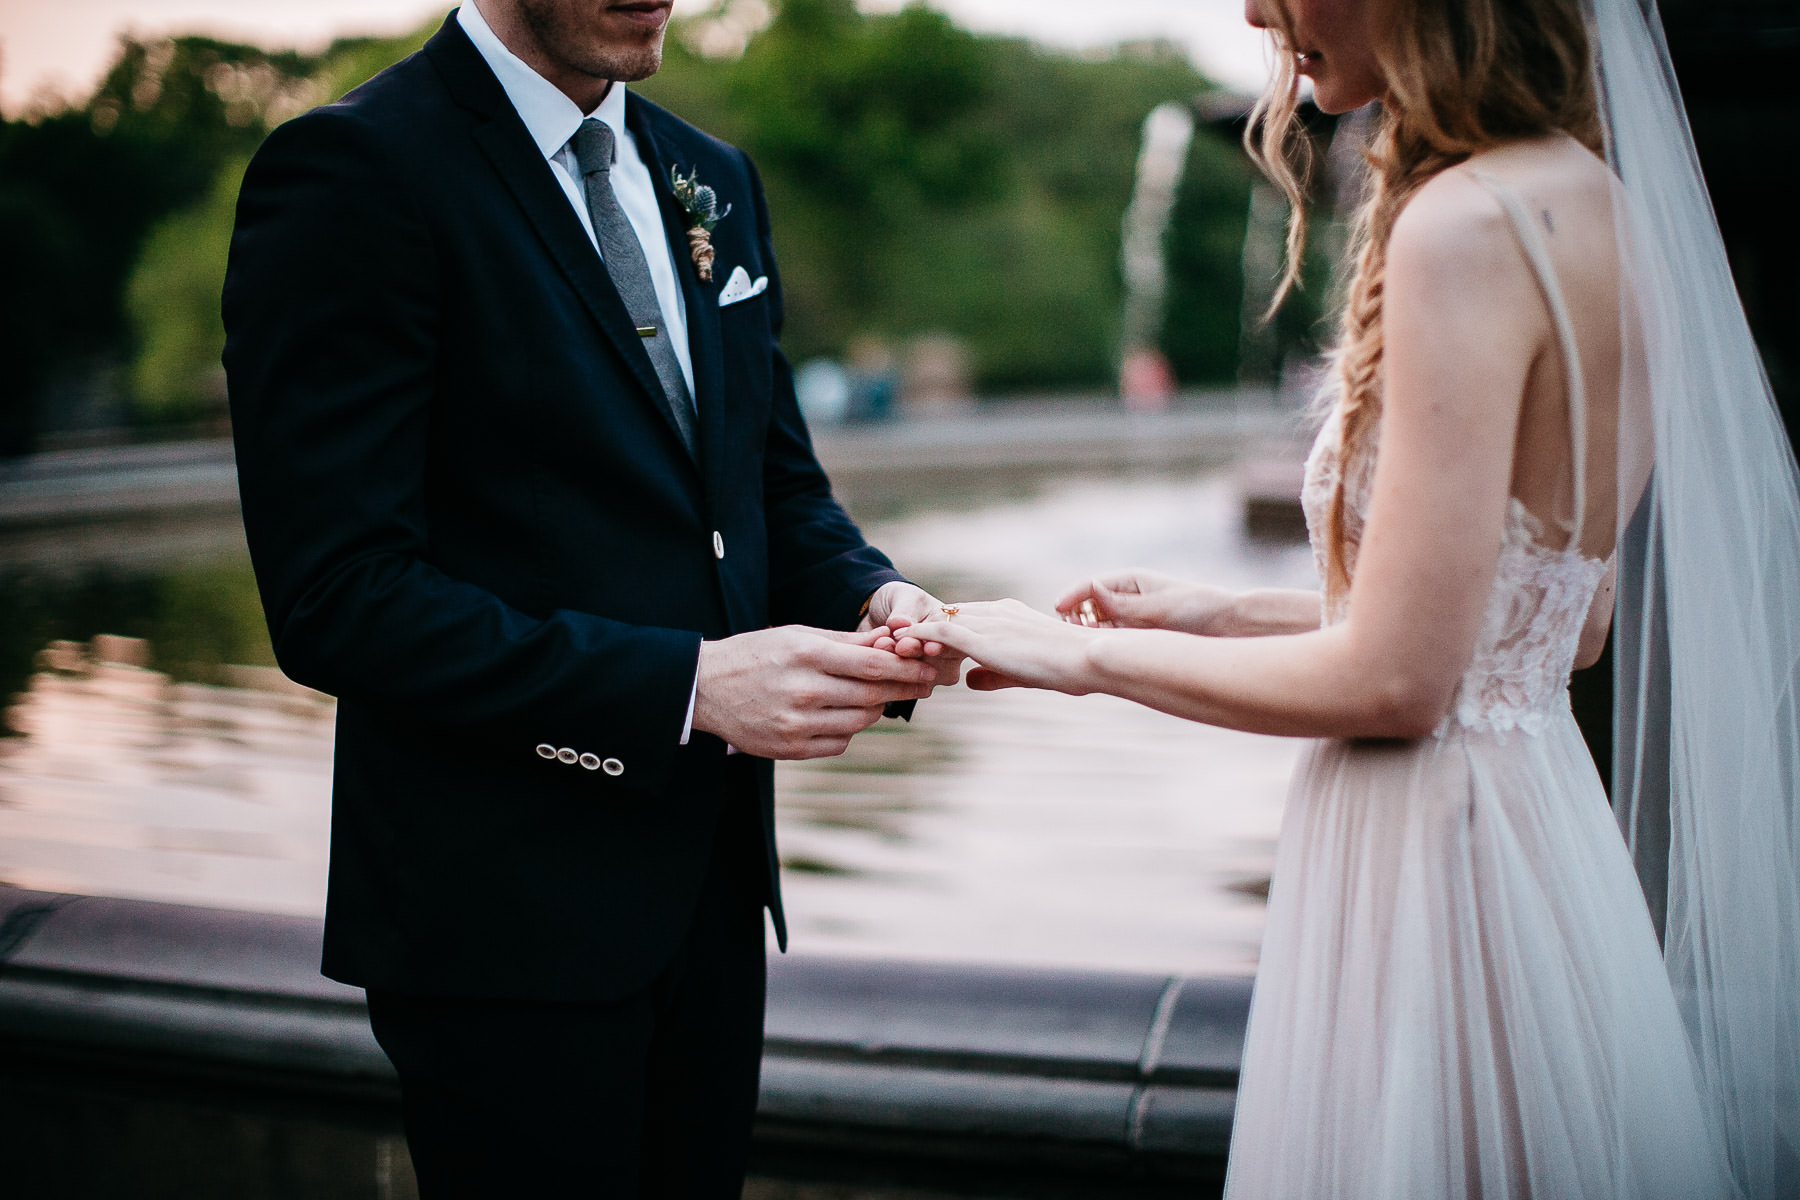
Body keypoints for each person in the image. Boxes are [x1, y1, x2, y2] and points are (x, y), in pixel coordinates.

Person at [904, 0, 1800, 1195]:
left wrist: (1075, 657)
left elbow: (1396, 682)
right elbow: (1556, 627)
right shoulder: (1606, 206)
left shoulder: (1464, 225)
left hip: (1431, 861)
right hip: (1541, 840)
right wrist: (1218, 613)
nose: (1254, 11)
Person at [221, 1, 956, 1194]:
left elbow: (770, 486)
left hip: (713, 902)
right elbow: (339, 597)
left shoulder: (712, 176)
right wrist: (688, 688)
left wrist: (878, 595)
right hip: (500, 931)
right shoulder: (354, 172)